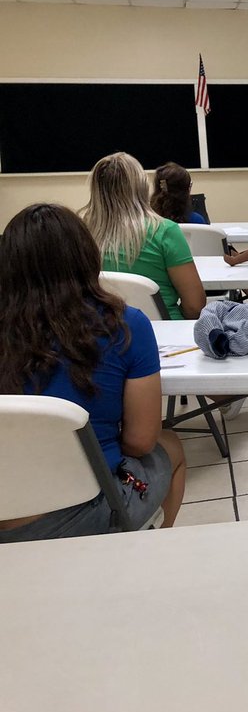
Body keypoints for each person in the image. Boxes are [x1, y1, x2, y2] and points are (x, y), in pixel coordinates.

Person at [0, 204, 186, 542]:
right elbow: (140, 442)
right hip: (80, 513)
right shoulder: (126, 325)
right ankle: (150, 558)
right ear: (87, 256)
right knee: (170, 445)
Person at [81, 152, 204, 321]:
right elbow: (195, 306)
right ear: (141, 187)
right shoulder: (165, 231)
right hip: (166, 336)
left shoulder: (79, 232)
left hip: (100, 334)